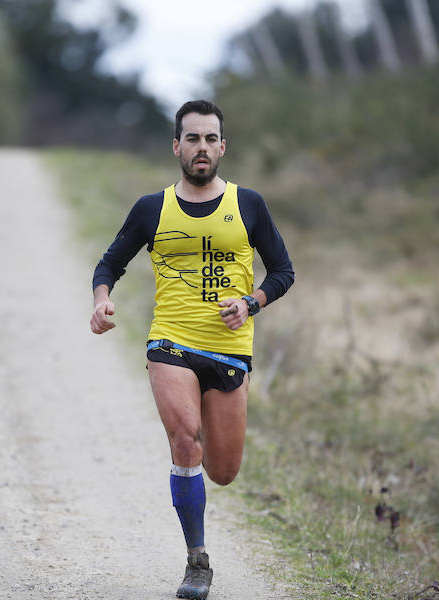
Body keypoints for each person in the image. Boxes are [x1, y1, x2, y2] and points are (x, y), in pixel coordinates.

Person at [89, 99, 294, 600]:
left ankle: (200, 493)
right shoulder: (151, 209)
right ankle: (196, 563)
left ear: (222, 147)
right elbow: (108, 264)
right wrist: (102, 302)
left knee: (223, 471)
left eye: (210, 139)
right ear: (176, 146)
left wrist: (251, 303)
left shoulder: (249, 205)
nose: (201, 148)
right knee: (185, 439)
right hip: (172, 342)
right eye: (192, 138)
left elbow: (284, 271)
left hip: (229, 350)